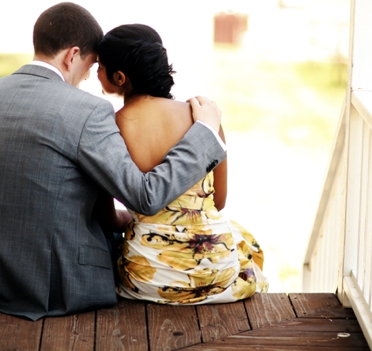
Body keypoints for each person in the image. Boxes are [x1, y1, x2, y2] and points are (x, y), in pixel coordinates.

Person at [0, 3, 226, 320]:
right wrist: (205, 132)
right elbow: (146, 196)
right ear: (72, 56)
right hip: (51, 287)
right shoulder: (89, 111)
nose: (88, 76)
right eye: (90, 65)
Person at [95, 24, 268, 304]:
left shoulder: (109, 127)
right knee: (243, 241)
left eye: (100, 66)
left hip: (148, 276)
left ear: (119, 76)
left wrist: (133, 219)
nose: (96, 72)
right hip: (216, 268)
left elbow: (107, 216)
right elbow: (219, 201)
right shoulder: (203, 119)